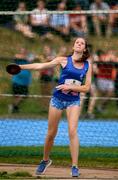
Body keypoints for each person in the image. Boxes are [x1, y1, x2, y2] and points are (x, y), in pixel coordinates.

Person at [19, 37, 92, 177]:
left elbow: (87, 87)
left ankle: (75, 166)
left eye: (82, 43)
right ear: (73, 46)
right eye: (77, 42)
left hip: (73, 101)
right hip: (58, 99)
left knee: (72, 131)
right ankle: (45, 160)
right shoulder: (63, 60)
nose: (79, 44)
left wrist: (69, 86)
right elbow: (40, 66)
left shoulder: (87, 65)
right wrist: (21, 67)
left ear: (84, 49)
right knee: (51, 133)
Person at [9, 48, 32, 113]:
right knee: (16, 95)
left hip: (25, 81)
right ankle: (15, 108)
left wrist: (29, 58)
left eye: (24, 51)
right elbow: (15, 56)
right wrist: (27, 58)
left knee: (25, 95)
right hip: (17, 80)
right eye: (22, 51)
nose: (23, 52)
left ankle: (14, 106)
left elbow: (33, 58)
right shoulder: (18, 57)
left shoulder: (28, 58)